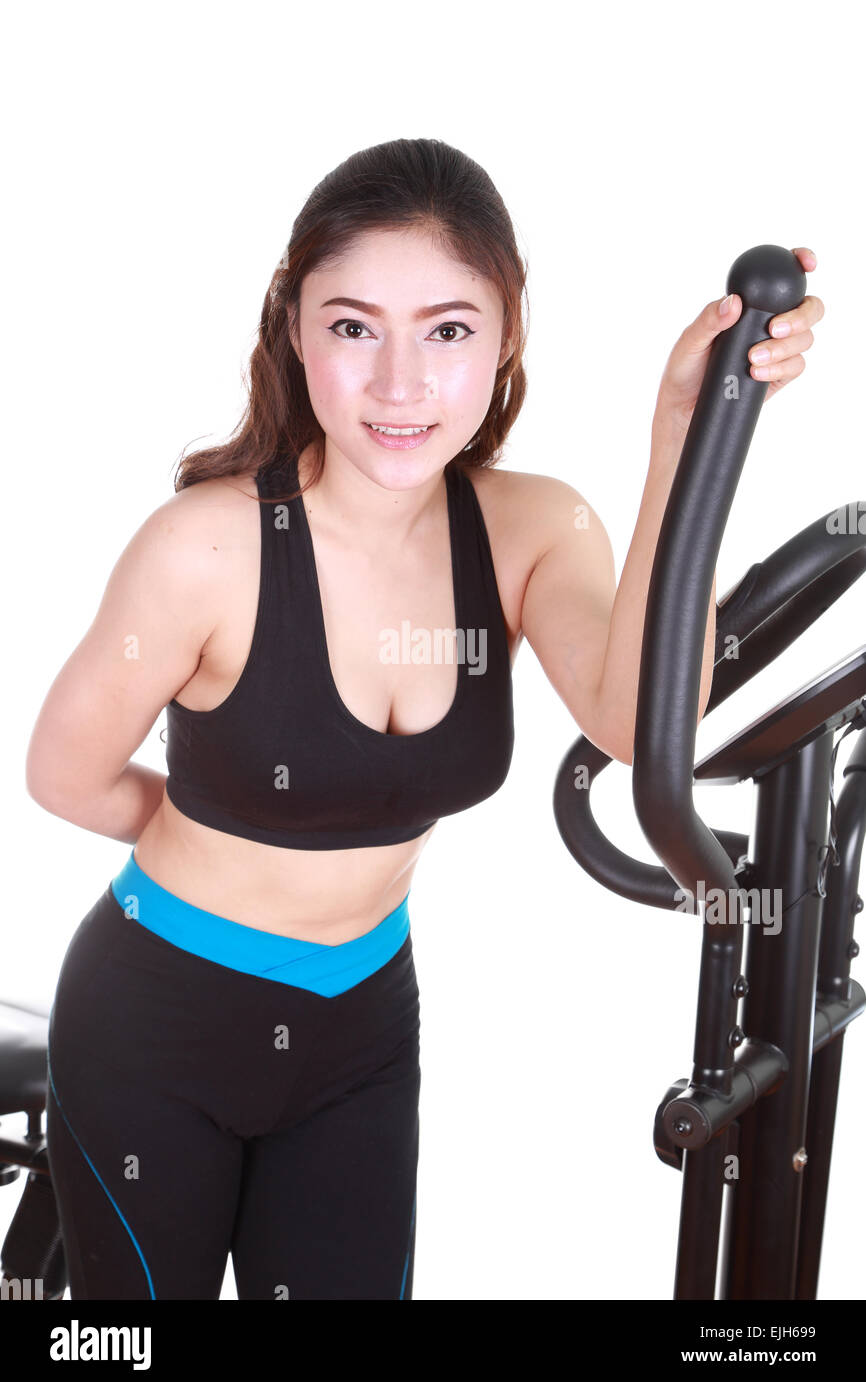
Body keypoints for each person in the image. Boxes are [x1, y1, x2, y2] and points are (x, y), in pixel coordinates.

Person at [25, 136, 821, 1301]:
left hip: (359, 1033)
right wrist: (229, 837)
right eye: (353, 327)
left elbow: (629, 717)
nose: (400, 385)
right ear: (295, 333)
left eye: (447, 330)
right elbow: (63, 772)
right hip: (158, 1024)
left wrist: (687, 441)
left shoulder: (529, 529)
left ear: (504, 344)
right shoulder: (204, 546)